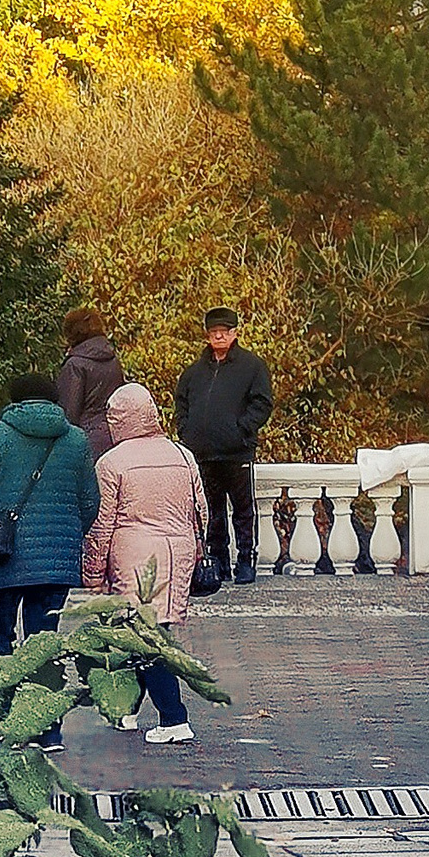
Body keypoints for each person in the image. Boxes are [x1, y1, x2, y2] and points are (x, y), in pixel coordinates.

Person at [81, 385, 209, 743]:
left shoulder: (111, 463)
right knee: (152, 629)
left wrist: (92, 573)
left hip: (134, 552)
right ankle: (127, 710)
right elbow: (201, 510)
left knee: (146, 635)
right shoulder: (182, 455)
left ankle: (173, 719)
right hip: (179, 549)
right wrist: (198, 549)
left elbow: (102, 524)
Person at [0, 374, 99, 664]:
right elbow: (89, 501)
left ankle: (1, 704)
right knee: (43, 646)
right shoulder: (76, 440)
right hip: (56, 562)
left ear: (15, 399)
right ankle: (42, 704)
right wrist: (67, 538)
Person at [173, 306, 272, 586]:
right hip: (203, 452)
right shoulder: (194, 373)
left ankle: (245, 561)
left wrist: (242, 429)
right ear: (207, 336)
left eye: (224, 332)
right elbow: (181, 403)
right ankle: (218, 562)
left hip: (237, 451)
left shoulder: (251, 367)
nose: (219, 337)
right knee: (211, 512)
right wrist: (187, 431)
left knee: (243, 510)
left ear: (235, 333)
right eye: (214, 332)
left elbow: (262, 402)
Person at [55, 306, 125, 459]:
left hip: (85, 438)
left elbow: (69, 412)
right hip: (115, 434)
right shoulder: (113, 360)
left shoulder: (75, 364)